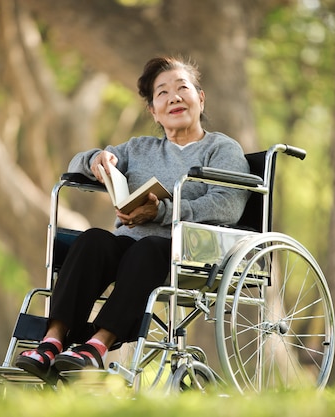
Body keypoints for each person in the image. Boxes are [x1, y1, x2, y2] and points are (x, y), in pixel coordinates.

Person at [15, 56, 250, 383]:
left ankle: (96, 347)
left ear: (201, 97)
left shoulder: (222, 149)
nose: (174, 97)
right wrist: (96, 158)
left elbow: (228, 205)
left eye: (183, 88)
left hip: (186, 251)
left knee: (150, 248)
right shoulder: (139, 148)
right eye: (162, 93)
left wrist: (163, 211)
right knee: (92, 240)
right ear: (153, 111)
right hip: (128, 245)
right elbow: (75, 163)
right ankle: (51, 342)